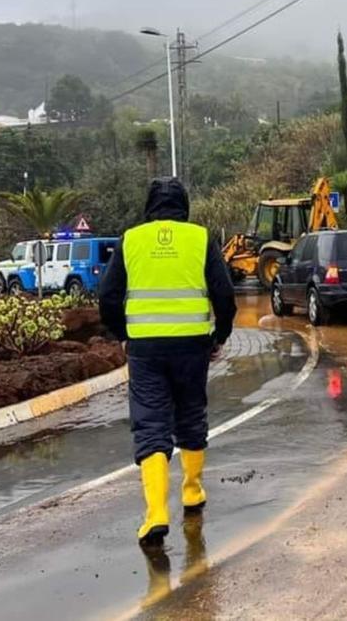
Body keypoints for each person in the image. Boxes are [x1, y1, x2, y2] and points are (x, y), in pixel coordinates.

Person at [98, 177, 238, 546]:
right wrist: (219, 336)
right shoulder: (200, 238)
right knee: (191, 412)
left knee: (150, 424)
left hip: (146, 350)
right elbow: (224, 293)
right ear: (184, 206)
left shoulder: (131, 240)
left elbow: (108, 297)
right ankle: (192, 491)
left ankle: (156, 513)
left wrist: (123, 334)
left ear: (149, 207)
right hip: (193, 346)